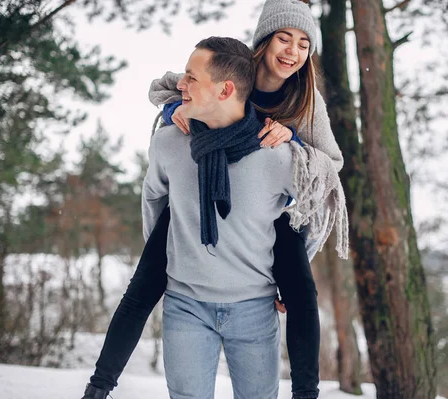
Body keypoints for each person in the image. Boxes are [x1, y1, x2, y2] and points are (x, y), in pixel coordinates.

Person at [81, 1, 348, 399]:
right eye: (284, 38)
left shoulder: (307, 103)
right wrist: (175, 108)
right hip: (197, 179)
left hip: (265, 200)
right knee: (144, 284)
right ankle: (99, 386)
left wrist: (292, 140)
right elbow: (175, 86)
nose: (292, 51)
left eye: (304, 44)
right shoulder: (232, 66)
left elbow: (330, 169)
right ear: (264, 40)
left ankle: (306, 391)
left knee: (300, 287)